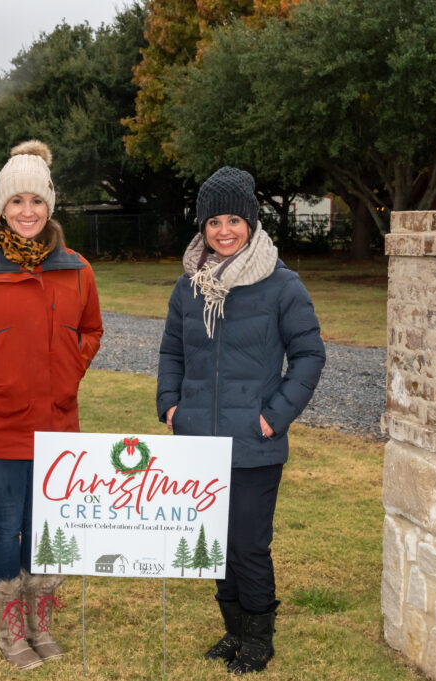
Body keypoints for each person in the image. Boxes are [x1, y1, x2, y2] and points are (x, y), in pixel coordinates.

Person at [0, 140, 103, 670]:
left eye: (36, 200)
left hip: (56, 425)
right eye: (16, 201)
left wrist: (72, 365)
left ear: (50, 206)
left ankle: (39, 621)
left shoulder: (76, 269)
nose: (27, 211)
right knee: (7, 527)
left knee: (46, 525)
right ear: (1, 207)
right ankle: (9, 629)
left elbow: (92, 330)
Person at [156, 166, 325, 674]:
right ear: (202, 227)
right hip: (198, 442)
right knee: (213, 540)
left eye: (233, 219)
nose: (223, 230)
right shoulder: (190, 287)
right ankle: (232, 631)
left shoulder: (282, 285)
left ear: (250, 222)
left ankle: (258, 635)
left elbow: (310, 355)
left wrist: (274, 417)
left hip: (253, 442)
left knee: (248, 544)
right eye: (213, 222)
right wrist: (170, 405)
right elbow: (171, 351)